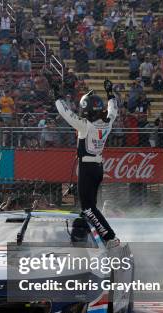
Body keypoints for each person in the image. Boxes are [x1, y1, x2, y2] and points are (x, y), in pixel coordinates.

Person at [46, 70, 120, 248]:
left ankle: (109, 238)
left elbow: (65, 112)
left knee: (88, 208)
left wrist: (57, 95)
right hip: (98, 167)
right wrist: (110, 93)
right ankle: (87, 238)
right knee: (90, 207)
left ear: (85, 108)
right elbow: (113, 110)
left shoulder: (85, 126)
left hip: (87, 168)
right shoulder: (107, 122)